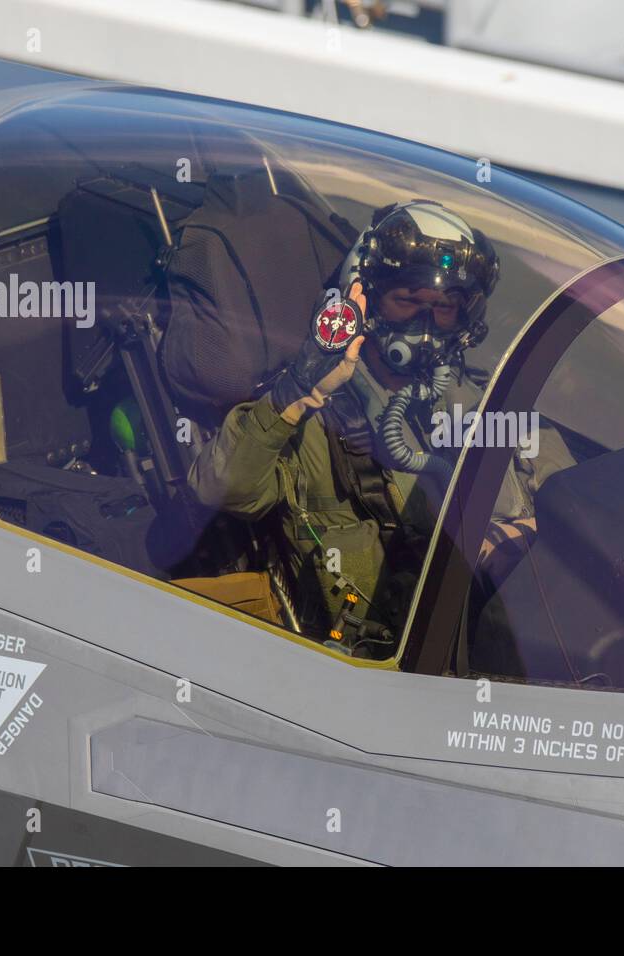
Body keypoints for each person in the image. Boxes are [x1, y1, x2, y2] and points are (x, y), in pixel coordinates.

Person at [186, 200, 569, 656]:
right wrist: (299, 391)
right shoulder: (310, 416)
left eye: (445, 306)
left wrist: (516, 540)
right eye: (407, 300)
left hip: (521, 644)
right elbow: (221, 489)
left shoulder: (491, 404)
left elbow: (579, 507)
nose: (426, 324)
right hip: (394, 669)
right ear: (363, 298)